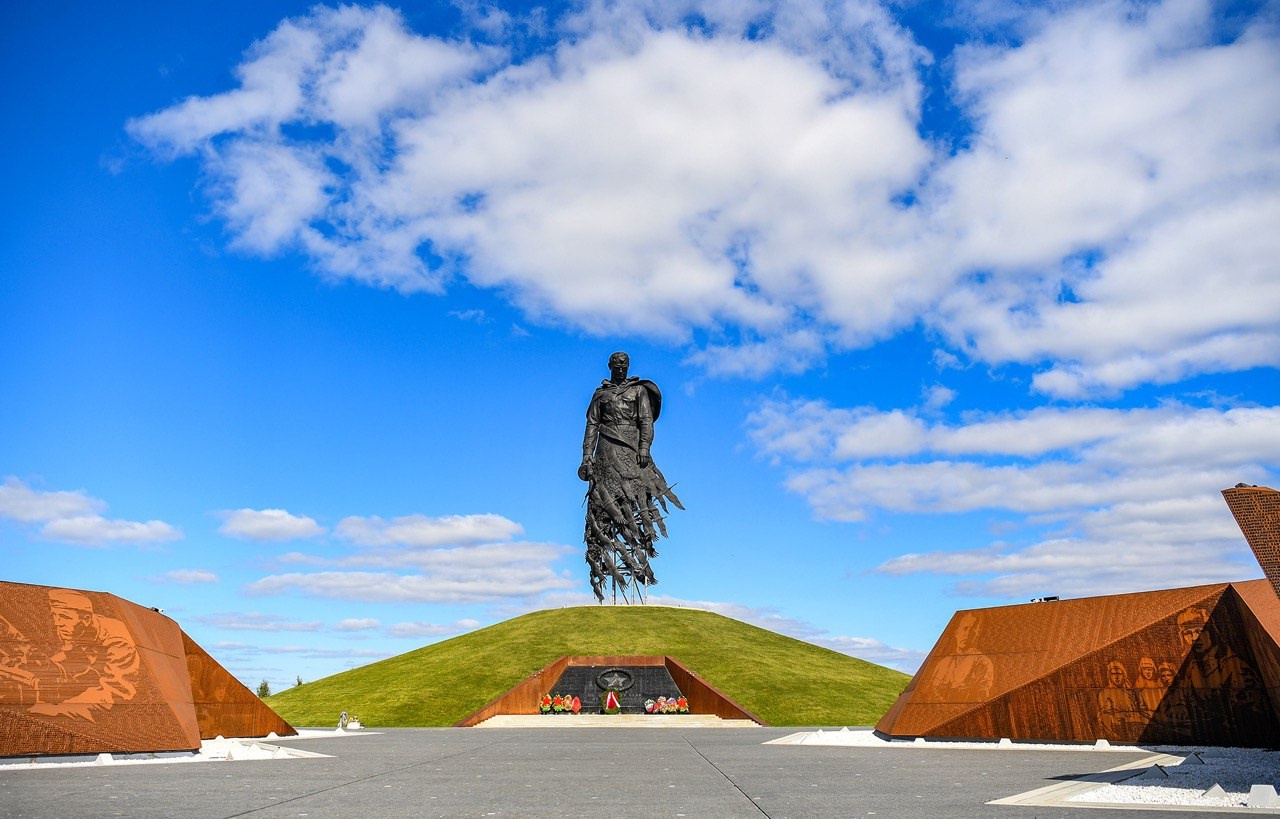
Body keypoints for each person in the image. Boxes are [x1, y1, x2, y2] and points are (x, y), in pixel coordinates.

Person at [579, 352, 683, 602]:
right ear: (609, 366)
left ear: (628, 367)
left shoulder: (639, 392)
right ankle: (606, 563)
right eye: (616, 365)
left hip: (632, 449)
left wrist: (645, 448)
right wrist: (586, 457)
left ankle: (638, 556)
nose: (621, 369)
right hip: (606, 448)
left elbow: (646, 421)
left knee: (634, 501)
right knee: (604, 506)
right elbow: (591, 425)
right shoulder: (600, 395)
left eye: (624, 365)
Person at [27, 589, 140, 722]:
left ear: (86, 619)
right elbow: (70, 653)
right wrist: (47, 666)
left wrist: (61, 709)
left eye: (64, 617)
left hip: (126, 705)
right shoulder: (72, 628)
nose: (58, 622)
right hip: (96, 676)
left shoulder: (118, 643)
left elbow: (114, 694)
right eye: (55, 615)